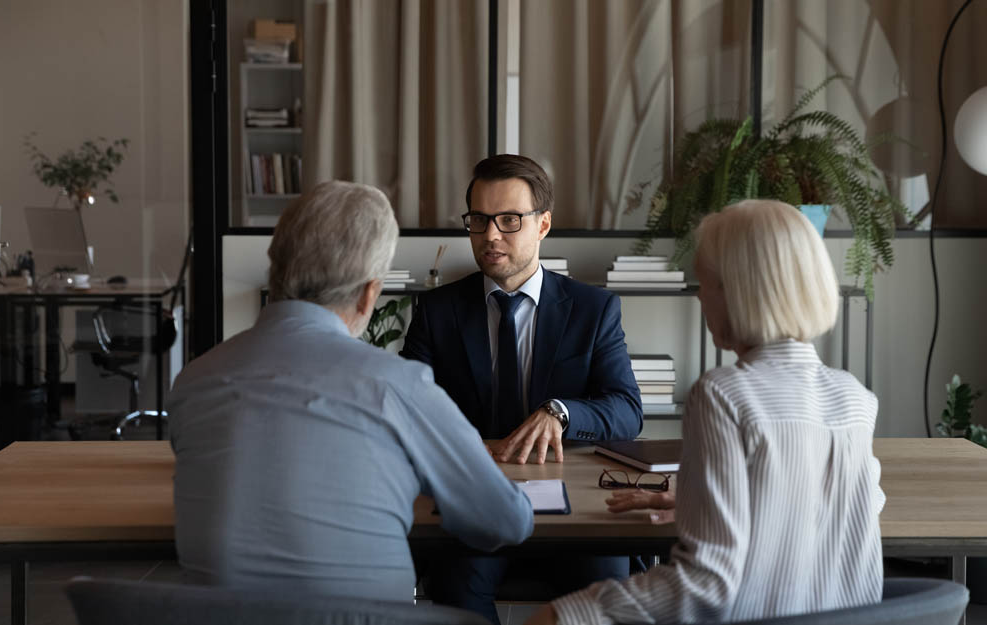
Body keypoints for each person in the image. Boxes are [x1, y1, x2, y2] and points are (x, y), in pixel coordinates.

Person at [169, 181, 534, 602]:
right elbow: (505, 521)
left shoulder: (194, 381)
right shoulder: (396, 385)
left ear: (277, 270)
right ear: (369, 295)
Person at [527, 199, 885, 625]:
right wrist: (706, 499)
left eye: (706, 283)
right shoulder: (855, 398)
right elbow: (833, 512)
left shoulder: (723, 396)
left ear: (741, 290)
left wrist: (572, 612)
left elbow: (708, 586)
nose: (699, 297)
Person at [401, 154, 643, 623]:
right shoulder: (437, 311)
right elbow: (409, 409)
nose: (490, 235)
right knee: (455, 591)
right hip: (474, 505)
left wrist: (561, 411)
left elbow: (626, 411)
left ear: (543, 224)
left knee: (610, 591)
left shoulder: (593, 310)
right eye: (479, 220)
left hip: (572, 508)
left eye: (509, 220)